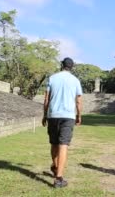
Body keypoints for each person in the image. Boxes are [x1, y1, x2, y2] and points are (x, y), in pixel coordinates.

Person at [42, 57, 83, 188]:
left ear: (62, 65)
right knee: (63, 145)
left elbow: (46, 99)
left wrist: (44, 115)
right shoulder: (75, 81)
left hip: (53, 115)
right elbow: (78, 101)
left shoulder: (52, 78)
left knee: (54, 144)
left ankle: (55, 166)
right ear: (72, 67)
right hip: (68, 116)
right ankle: (59, 178)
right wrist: (79, 115)